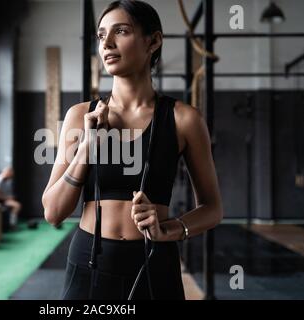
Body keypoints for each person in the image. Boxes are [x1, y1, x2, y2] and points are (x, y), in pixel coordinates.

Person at [42, 0, 223, 300]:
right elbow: (53, 212)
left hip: (154, 263)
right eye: (101, 35)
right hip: (89, 263)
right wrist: (86, 148)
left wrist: (173, 229)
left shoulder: (184, 119)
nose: (107, 44)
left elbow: (213, 208)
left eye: (121, 31)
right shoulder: (79, 116)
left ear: (153, 41)